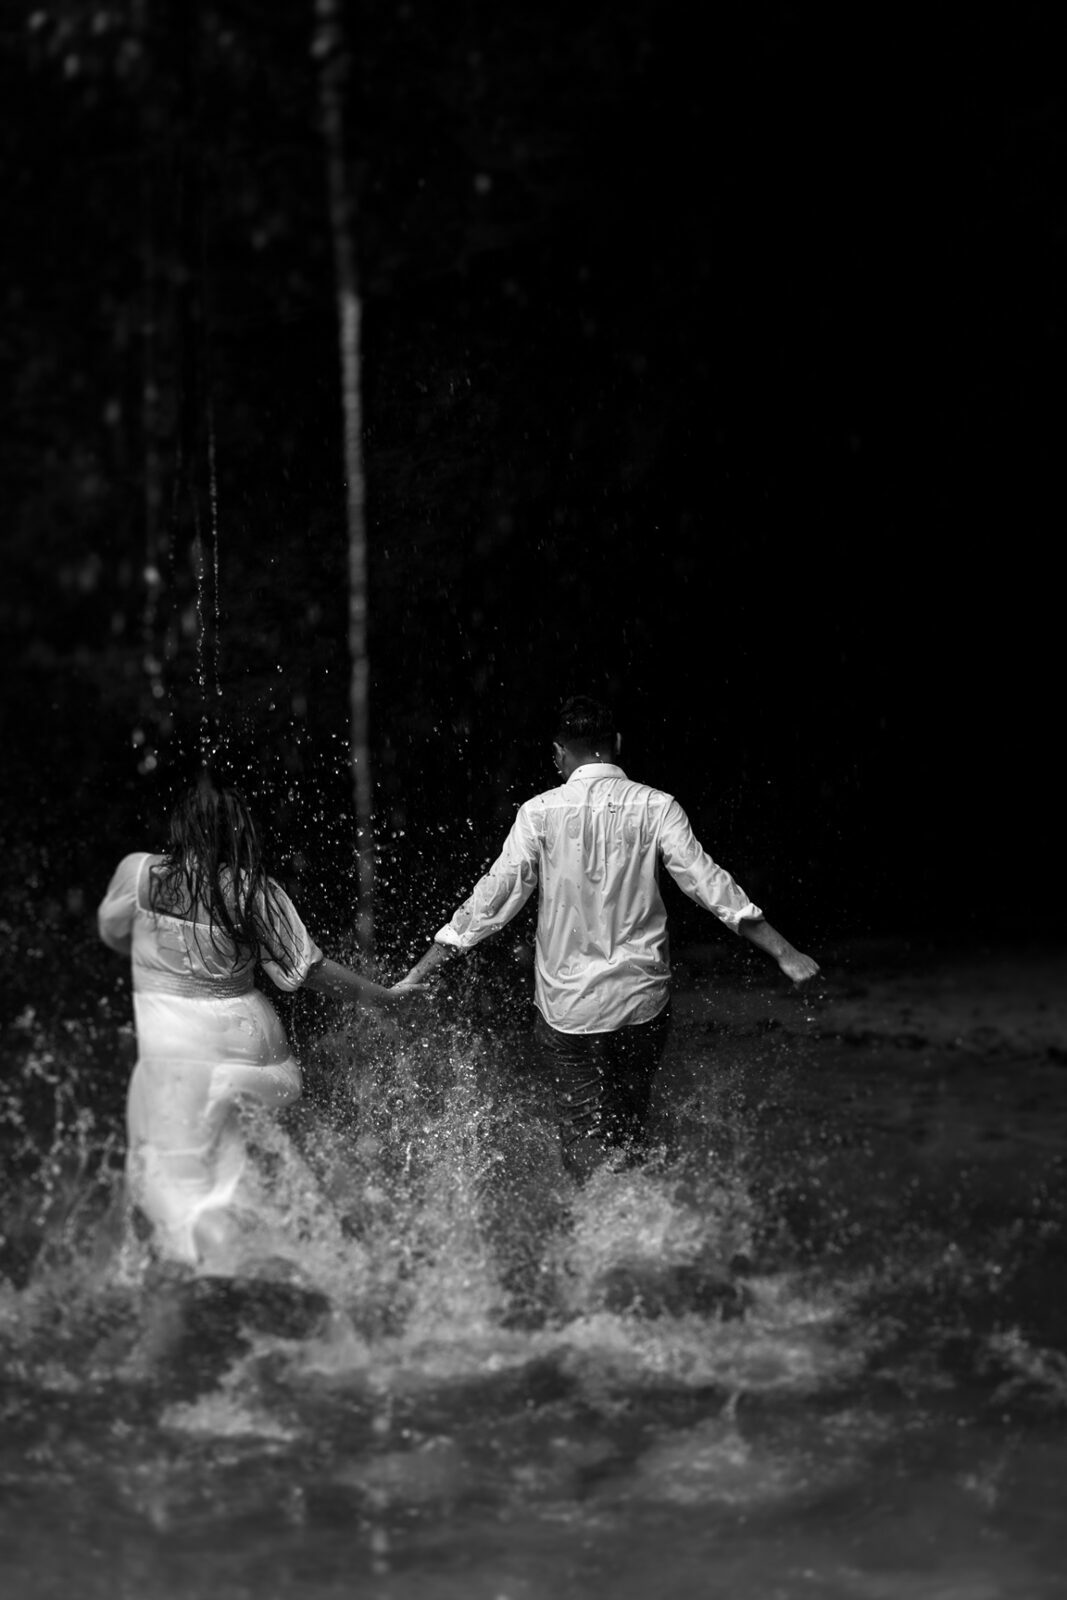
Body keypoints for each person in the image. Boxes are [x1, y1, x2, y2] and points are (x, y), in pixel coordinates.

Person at [399, 695, 819, 1181]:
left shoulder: (539, 812)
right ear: (616, 743)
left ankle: (592, 1216)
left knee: (580, 1133)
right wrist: (785, 952)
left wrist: (421, 969)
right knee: (630, 1126)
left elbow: (491, 899)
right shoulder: (657, 806)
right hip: (640, 1002)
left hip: (567, 1008)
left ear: (559, 753)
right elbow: (710, 885)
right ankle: (637, 1206)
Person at [98, 773, 422, 1271]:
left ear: (181, 828)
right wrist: (385, 998)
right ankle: (367, 1249)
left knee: (175, 1181)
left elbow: (114, 932)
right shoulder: (252, 893)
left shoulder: (139, 874)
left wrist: (159, 967)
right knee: (288, 1154)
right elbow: (309, 970)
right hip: (248, 1046)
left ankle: (201, 1275)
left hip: (170, 1053)